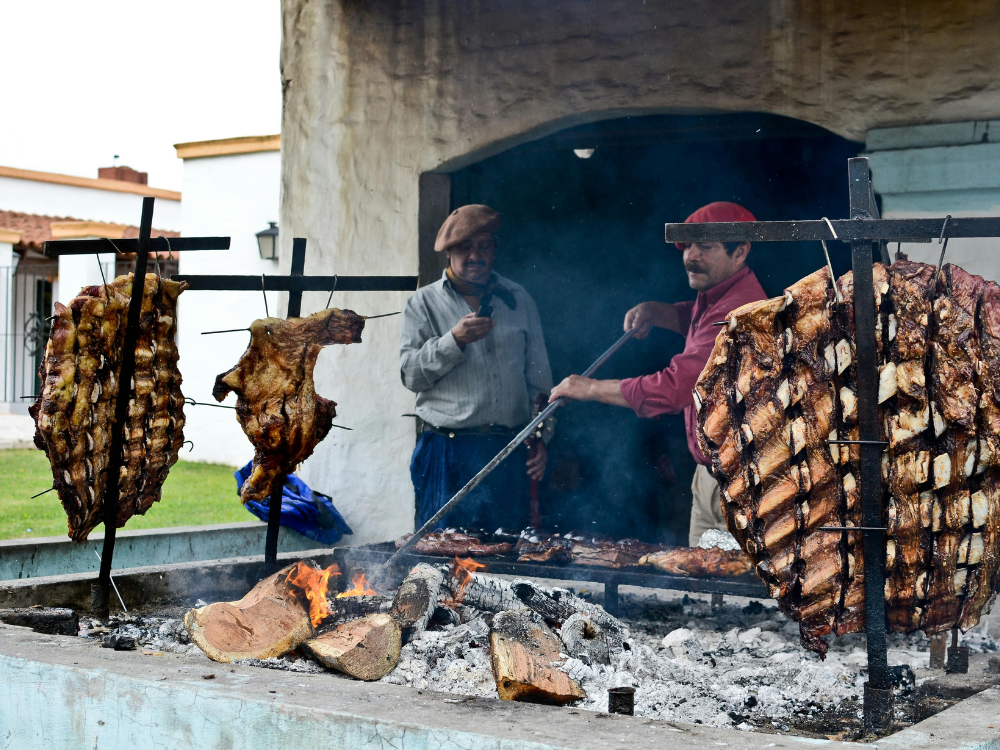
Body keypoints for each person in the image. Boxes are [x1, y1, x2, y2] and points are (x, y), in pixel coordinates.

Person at [548, 202, 767, 546]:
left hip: (741, 483)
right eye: (687, 246)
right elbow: (699, 324)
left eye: (705, 247)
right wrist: (657, 313)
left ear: (740, 251)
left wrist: (588, 388)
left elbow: (675, 389)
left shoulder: (736, 310)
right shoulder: (717, 296)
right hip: (710, 477)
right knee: (701, 577)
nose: (690, 256)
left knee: (734, 578)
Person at [400, 204, 552, 532]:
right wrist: (453, 340)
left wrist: (541, 437)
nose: (475, 256)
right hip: (446, 453)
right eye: (465, 247)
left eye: (484, 246)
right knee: (440, 553)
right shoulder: (422, 304)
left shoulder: (519, 299)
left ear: (495, 249)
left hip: (508, 451)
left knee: (507, 551)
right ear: (449, 252)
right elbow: (410, 375)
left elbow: (540, 384)